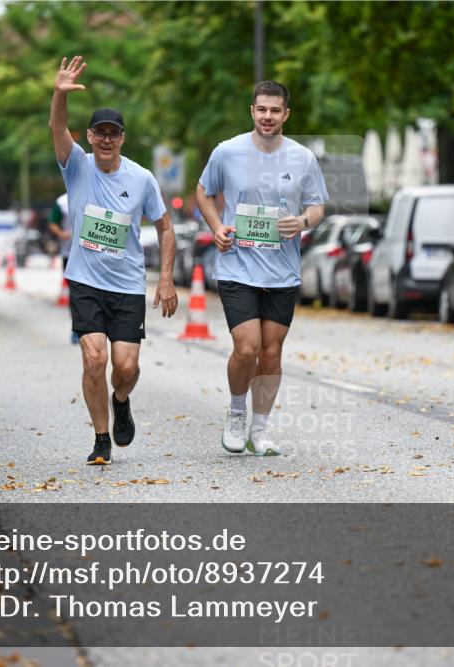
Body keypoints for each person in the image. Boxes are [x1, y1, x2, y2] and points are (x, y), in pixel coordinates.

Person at [50, 55, 178, 465]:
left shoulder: (142, 178)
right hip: (86, 281)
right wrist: (59, 94)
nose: (106, 140)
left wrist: (166, 280)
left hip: (126, 286)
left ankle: (121, 399)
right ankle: (101, 439)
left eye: (114, 134)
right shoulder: (77, 168)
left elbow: (166, 227)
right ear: (88, 136)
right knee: (94, 359)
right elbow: (56, 127)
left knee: (124, 368)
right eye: (100, 133)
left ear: (122, 139)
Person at [196, 80, 328, 457]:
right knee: (247, 348)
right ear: (252, 111)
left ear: (286, 114)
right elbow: (203, 192)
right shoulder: (227, 152)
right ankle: (237, 414)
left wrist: (303, 222)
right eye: (261, 109)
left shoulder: (302, 158)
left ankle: (261, 429)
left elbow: (317, 206)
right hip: (237, 266)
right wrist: (217, 226)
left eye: (275, 110)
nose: (267, 116)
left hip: (282, 271)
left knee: (271, 354)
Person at [47, 192, 78, 343]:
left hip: (94, 252)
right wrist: (61, 234)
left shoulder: (96, 192)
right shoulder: (62, 202)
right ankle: (77, 329)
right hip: (70, 253)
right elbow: (52, 222)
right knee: (76, 292)